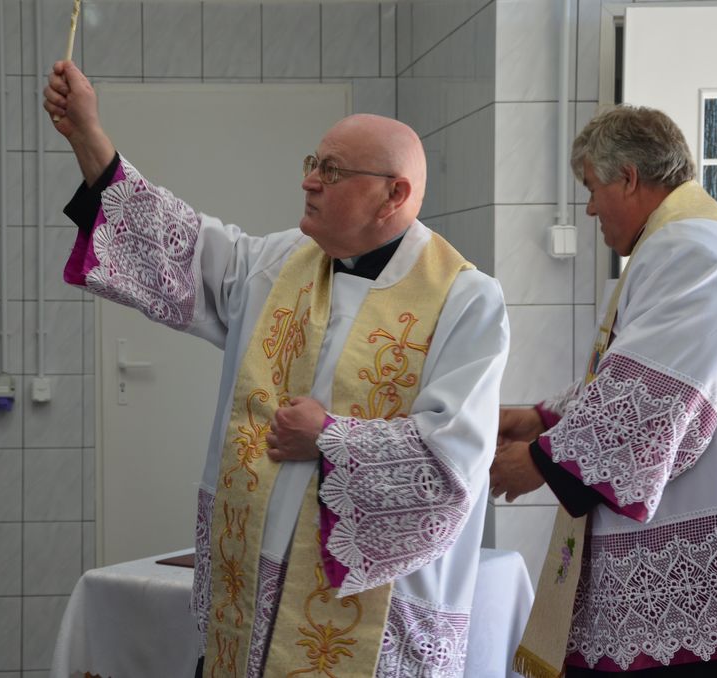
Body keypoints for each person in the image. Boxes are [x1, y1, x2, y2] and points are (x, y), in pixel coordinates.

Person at [44, 60, 509, 677]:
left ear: (394, 195)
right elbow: (180, 245)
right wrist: (88, 137)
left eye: (332, 171)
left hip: (370, 618)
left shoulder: (464, 299)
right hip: (252, 594)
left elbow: (452, 461)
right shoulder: (282, 261)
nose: (310, 182)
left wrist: (329, 439)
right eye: (313, 163)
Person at [491, 105, 717, 677]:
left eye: (592, 187)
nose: (589, 207)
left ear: (630, 178)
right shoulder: (680, 243)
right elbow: (631, 372)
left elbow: (660, 395)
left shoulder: (695, 248)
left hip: (703, 545)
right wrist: (541, 418)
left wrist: (539, 462)